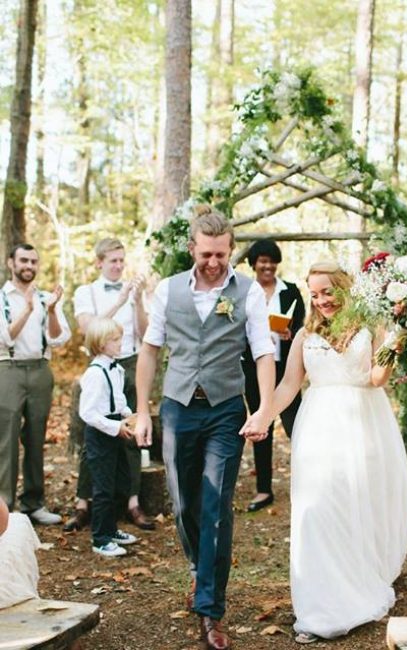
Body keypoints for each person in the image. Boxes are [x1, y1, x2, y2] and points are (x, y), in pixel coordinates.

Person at [241, 260, 407, 644]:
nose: (321, 301)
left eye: (327, 292)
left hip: (362, 425)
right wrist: (262, 416)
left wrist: (395, 340)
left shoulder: (371, 327)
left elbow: (376, 379)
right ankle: (321, 606)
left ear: (344, 288)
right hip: (318, 428)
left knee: (356, 505)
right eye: (314, 294)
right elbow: (288, 387)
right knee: (316, 511)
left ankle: (358, 583)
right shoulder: (304, 335)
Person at [134, 207, 275, 650]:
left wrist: (265, 409)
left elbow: (263, 353)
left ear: (231, 250)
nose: (213, 262)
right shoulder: (168, 290)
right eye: (206, 253)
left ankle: (211, 610)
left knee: (216, 504)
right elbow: (150, 350)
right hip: (177, 407)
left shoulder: (249, 293)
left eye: (221, 254)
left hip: (225, 410)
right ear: (192, 247)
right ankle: (201, 568)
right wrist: (142, 411)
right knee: (182, 502)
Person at [66, 237, 153, 532]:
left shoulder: (134, 291)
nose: (118, 266)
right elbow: (89, 330)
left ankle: (131, 503)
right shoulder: (86, 292)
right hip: (100, 367)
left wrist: (138, 299)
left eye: (121, 260)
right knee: (94, 436)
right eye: (112, 260)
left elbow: (144, 332)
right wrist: (120, 300)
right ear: (99, 262)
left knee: (130, 433)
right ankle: (83, 503)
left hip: (130, 364)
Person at [0, 243, 71, 525]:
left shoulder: (46, 298)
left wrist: (51, 311)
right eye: (24, 261)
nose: (29, 266)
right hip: (8, 369)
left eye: (33, 261)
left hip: (40, 368)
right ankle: (5, 504)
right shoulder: (2, 298)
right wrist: (28, 310)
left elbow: (59, 338)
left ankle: (34, 502)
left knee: (35, 437)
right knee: (6, 439)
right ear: (11, 263)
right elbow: (4, 339)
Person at [241, 239, 305, 512]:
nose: (267, 266)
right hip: (254, 368)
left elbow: (302, 323)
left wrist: (289, 333)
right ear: (253, 264)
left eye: (272, 261)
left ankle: (305, 484)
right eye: (262, 261)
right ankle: (263, 489)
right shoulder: (245, 291)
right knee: (261, 424)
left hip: (286, 367)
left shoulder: (290, 291)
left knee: (296, 426)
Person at [79, 318, 138, 557]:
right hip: (101, 432)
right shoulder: (94, 373)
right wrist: (115, 426)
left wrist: (128, 414)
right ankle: (100, 538)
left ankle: (111, 529)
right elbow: (88, 412)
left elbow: (119, 398)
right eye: (115, 340)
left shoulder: (117, 368)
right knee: (103, 487)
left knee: (119, 482)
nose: (120, 343)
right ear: (101, 344)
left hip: (116, 427)